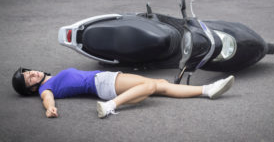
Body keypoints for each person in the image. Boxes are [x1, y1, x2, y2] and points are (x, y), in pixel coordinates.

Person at [12, 67, 235, 118]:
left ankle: (208, 90)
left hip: (105, 80)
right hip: (102, 83)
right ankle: (110, 106)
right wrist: (50, 108)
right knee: (153, 87)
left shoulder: (49, 79)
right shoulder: (44, 89)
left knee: (159, 83)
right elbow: (47, 99)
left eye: (28, 71)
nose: (32, 73)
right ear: (31, 88)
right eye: (28, 78)